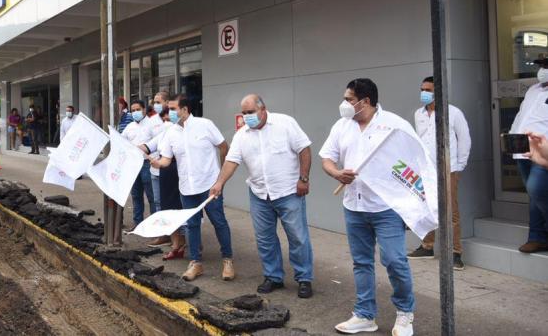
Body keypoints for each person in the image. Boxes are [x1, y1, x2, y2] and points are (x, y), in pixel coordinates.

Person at [319, 78, 414, 336]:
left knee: (395, 260)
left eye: (349, 99)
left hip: (386, 208)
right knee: (361, 263)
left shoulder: (395, 126)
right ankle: (364, 314)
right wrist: (337, 173)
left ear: (366, 101)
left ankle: (405, 314)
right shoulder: (342, 126)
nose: (344, 104)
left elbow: (413, 163)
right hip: (354, 206)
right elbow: (326, 158)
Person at [209, 94, 314, 298]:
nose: (247, 116)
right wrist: (219, 182)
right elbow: (231, 161)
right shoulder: (242, 135)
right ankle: (273, 276)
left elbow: (304, 149)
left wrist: (303, 178)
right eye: (244, 113)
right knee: (265, 239)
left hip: (288, 192)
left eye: (251, 112)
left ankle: (304, 278)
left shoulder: (285, 124)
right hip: (259, 194)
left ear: (263, 109)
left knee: (298, 237)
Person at [151, 94, 233, 282]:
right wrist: (157, 163)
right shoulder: (171, 133)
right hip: (187, 188)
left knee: (219, 222)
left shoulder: (205, 125)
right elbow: (166, 159)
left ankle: (227, 260)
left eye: (173, 109)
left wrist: (220, 178)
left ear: (185, 110)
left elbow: (223, 147)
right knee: (192, 226)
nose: (169, 113)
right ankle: (195, 262)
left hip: (210, 186)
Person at [408, 76, 471, 270]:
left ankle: (455, 253)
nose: (424, 93)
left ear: (439, 92)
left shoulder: (453, 113)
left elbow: (465, 139)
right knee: (426, 207)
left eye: (428, 89)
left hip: (447, 169)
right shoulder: (419, 114)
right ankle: (427, 246)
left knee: (450, 211)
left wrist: (459, 165)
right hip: (425, 170)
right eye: (422, 89)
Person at [511, 58, 548, 254]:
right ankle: (537, 237)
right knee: (533, 195)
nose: (543, 70)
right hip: (522, 148)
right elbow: (521, 115)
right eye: (542, 66)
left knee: (537, 189)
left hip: (543, 151)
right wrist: (511, 137)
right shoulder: (533, 90)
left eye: (547, 66)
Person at [141, 91, 174, 248]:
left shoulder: (173, 120)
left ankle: (181, 237)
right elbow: (149, 142)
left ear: (167, 102)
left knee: (174, 205)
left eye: (158, 101)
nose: (155, 104)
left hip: (171, 169)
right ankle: (164, 235)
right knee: (158, 203)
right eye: (154, 101)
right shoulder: (152, 120)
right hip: (154, 167)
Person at [120, 100, 156, 227]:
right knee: (136, 195)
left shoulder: (152, 125)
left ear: (144, 110)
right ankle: (138, 223)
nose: (135, 112)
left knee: (152, 196)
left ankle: (154, 224)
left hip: (147, 164)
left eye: (137, 110)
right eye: (133, 110)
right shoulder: (129, 127)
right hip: (133, 165)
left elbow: (158, 143)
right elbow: (121, 142)